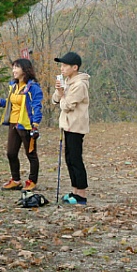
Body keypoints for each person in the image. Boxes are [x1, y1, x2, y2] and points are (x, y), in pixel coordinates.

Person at [0, 58, 44, 190]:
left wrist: (35, 125)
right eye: (13, 67)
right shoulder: (14, 86)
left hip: (26, 124)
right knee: (11, 153)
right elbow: (11, 103)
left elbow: (37, 107)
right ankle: (15, 180)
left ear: (25, 70)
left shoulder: (33, 88)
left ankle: (32, 181)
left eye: (16, 67)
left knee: (30, 154)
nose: (13, 70)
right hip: (13, 124)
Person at [52, 51, 90, 205]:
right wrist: (59, 91)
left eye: (65, 65)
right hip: (67, 125)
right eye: (61, 65)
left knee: (75, 159)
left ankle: (81, 193)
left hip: (76, 126)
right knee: (69, 158)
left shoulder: (80, 84)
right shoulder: (67, 82)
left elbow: (67, 106)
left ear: (75, 67)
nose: (62, 68)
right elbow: (55, 100)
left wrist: (62, 96)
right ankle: (74, 190)